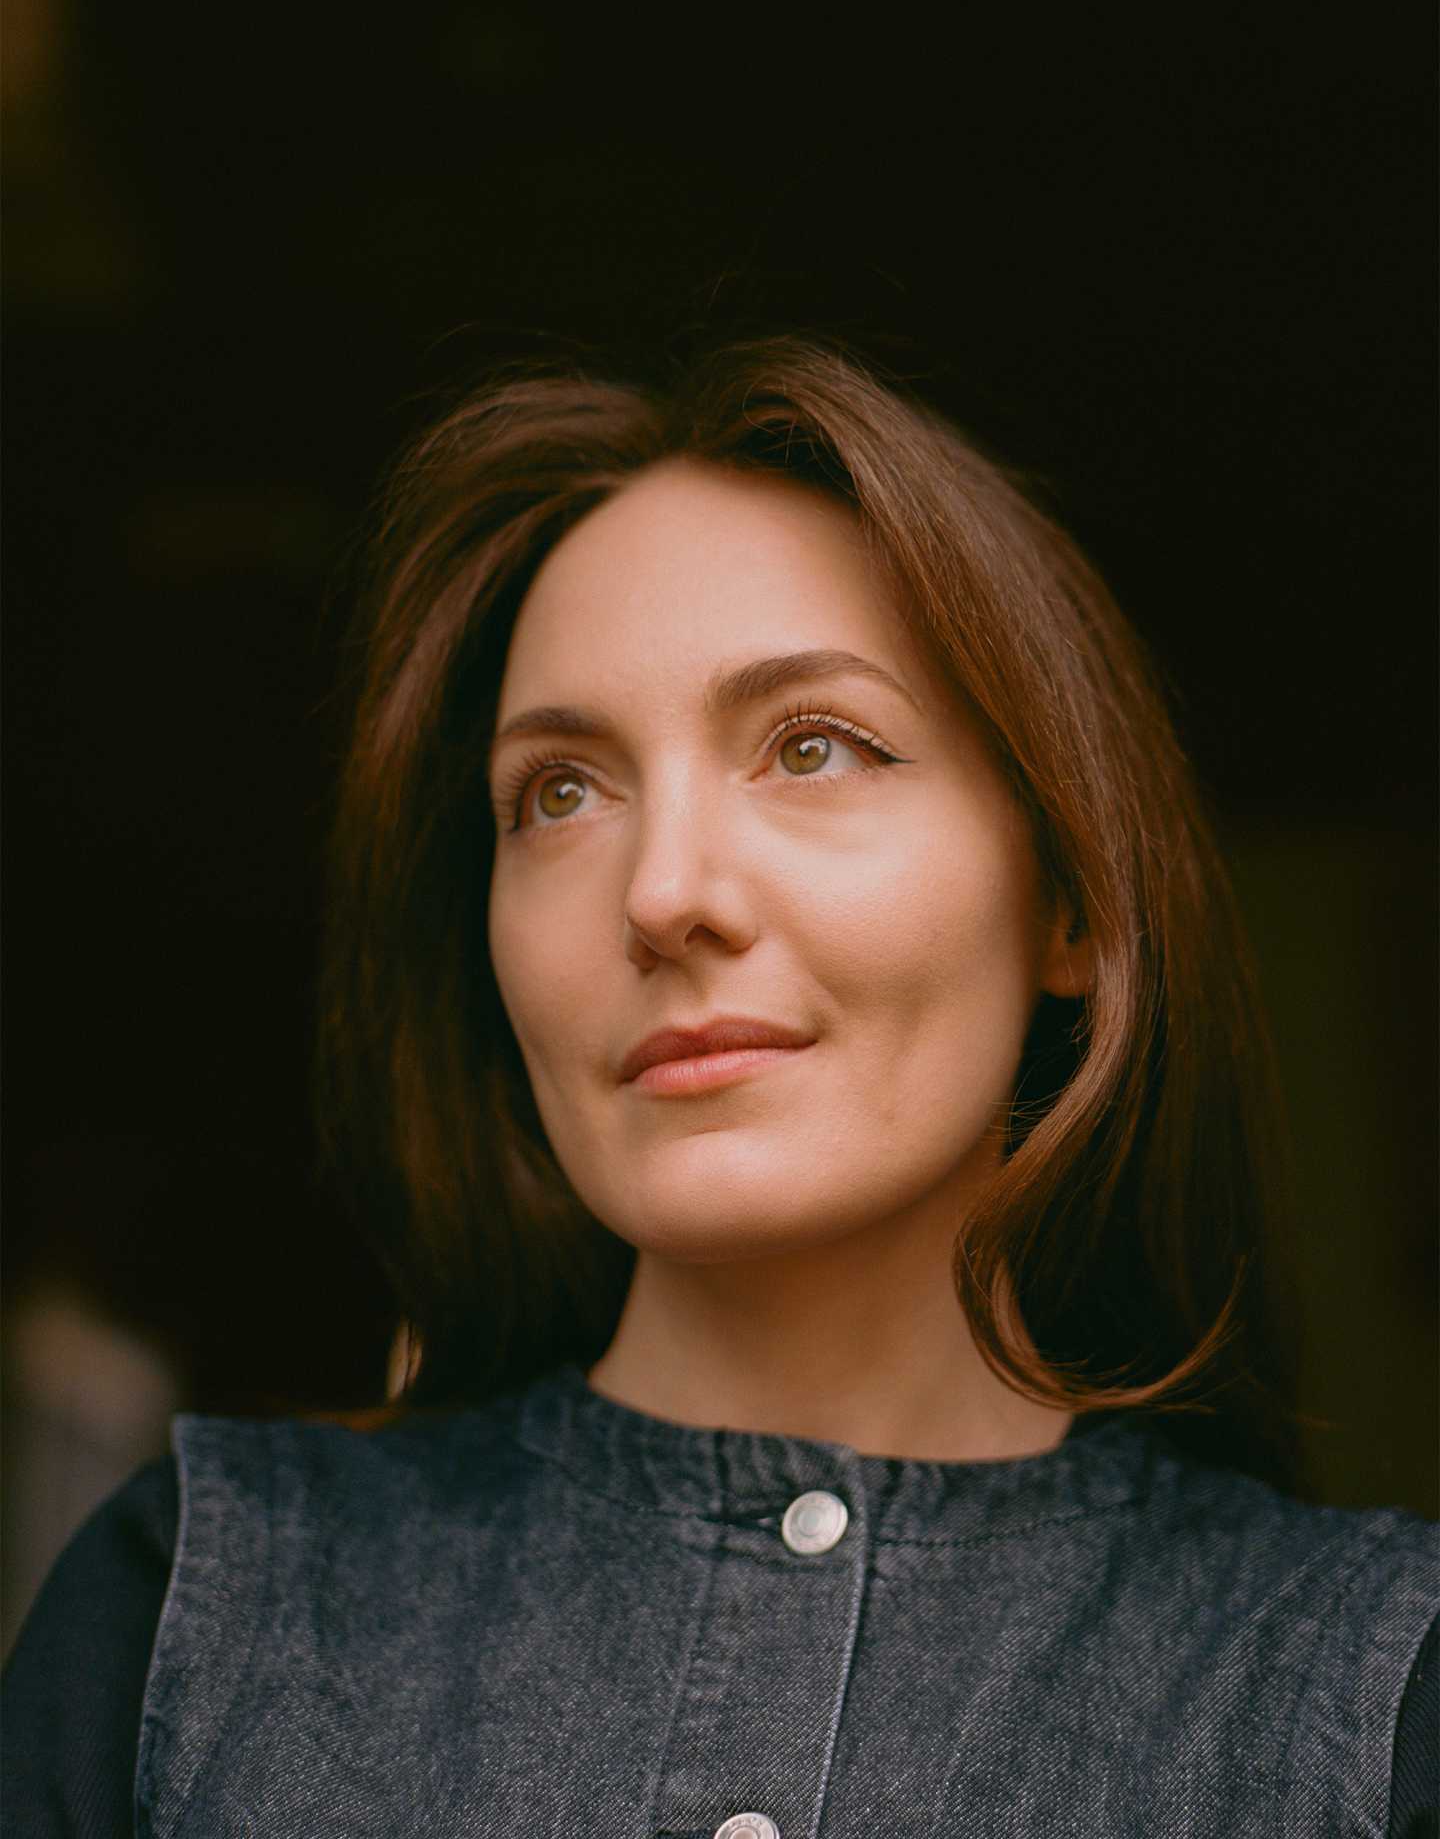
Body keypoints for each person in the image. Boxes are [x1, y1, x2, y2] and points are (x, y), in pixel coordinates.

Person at [4, 330, 1436, 1837]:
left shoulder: (1373, 1694)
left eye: (813, 747)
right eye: (559, 792)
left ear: (1070, 898)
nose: (662, 892)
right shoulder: (185, 1621)